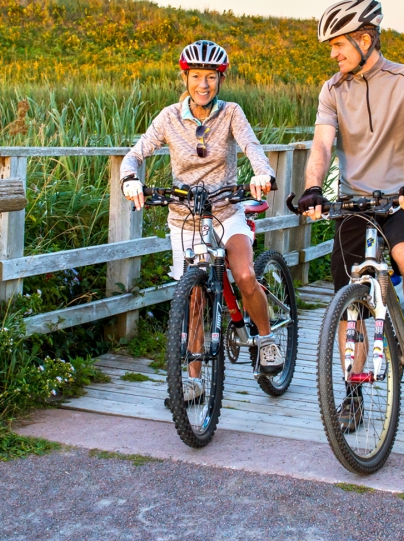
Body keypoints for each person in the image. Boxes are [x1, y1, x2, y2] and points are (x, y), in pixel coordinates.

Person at [297, 0, 404, 428]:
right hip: (355, 202)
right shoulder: (332, 89)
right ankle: (353, 393)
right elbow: (323, 143)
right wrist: (312, 186)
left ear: (365, 39)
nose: (333, 54)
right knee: (351, 305)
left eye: (338, 44)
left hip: (403, 197)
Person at [120, 40, 283, 402]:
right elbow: (136, 154)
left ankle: (267, 337)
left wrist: (261, 174)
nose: (204, 85)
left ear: (220, 79)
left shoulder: (232, 113)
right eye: (197, 77)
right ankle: (193, 382)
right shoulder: (168, 117)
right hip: (185, 218)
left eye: (211, 77)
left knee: (243, 275)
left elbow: (253, 148)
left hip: (226, 211)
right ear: (186, 77)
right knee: (194, 298)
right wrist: (130, 178)